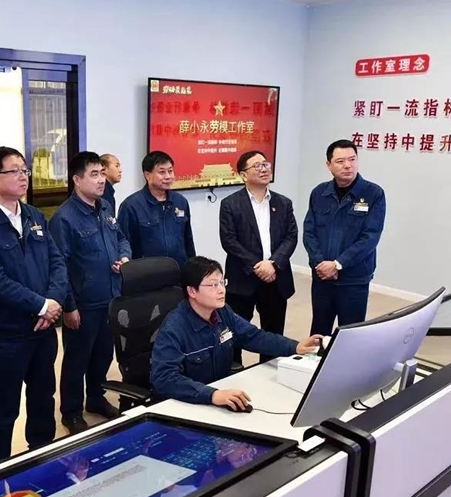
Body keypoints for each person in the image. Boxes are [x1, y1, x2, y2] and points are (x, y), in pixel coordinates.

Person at [0, 146, 68, 465]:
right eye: (15, 171)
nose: (24, 176)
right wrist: (40, 305)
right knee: (3, 405)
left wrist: (54, 302)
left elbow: (57, 262)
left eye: (25, 170)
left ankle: (42, 455)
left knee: (43, 397)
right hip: (8, 333)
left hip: (43, 330)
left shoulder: (34, 216)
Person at [151, 256, 322, 411]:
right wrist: (212, 394)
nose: (221, 290)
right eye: (213, 285)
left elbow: (253, 336)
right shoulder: (174, 328)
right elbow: (163, 378)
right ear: (192, 291)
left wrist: (294, 346)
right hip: (187, 405)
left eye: (222, 282)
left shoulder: (222, 312)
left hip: (220, 395)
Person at [49, 151, 131, 435]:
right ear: (76, 180)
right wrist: (69, 307)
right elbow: (59, 266)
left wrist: (124, 257)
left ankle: (95, 398)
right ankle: (71, 412)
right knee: (77, 359)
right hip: (83, 303)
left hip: (111, 297)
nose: (101, 180)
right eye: (94, 174)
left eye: (102, 173)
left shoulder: (105, 206)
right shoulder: (64, 218)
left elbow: (121, 238)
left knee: (103, 355)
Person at [219, 151, 298, 366]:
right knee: (235, 331)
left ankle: (269, 369)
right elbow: (229, 240)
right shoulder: (230, 204)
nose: (264, 169)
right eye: (257, 166)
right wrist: (258, 266)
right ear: (243, 175)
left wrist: (273, 264)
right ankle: (234, 371)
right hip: (243, 279)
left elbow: (291, 237)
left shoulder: (283, 203)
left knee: (273, 332)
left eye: (266, 164)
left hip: (276, 277)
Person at [303, 139, 386, 337]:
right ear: (329, 165)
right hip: (322, 277)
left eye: (352, 159)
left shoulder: (373, 193)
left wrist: (338, 264)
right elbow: (309, 231)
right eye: (340, 161)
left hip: (354, 279)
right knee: (319, 332)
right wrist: (320, 263)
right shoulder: (319, 193)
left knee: (350, 334)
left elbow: (370, 237)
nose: (348, 165)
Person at [117, 151, 195, 268]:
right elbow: (123, 241)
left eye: (170, 171)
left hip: (179, 270)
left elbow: (188, 240)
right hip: (146, 272)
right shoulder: (131, 205)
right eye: (162, 172)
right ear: (147, 175)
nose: (168, 176)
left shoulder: (180, 201)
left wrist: (193, 269)